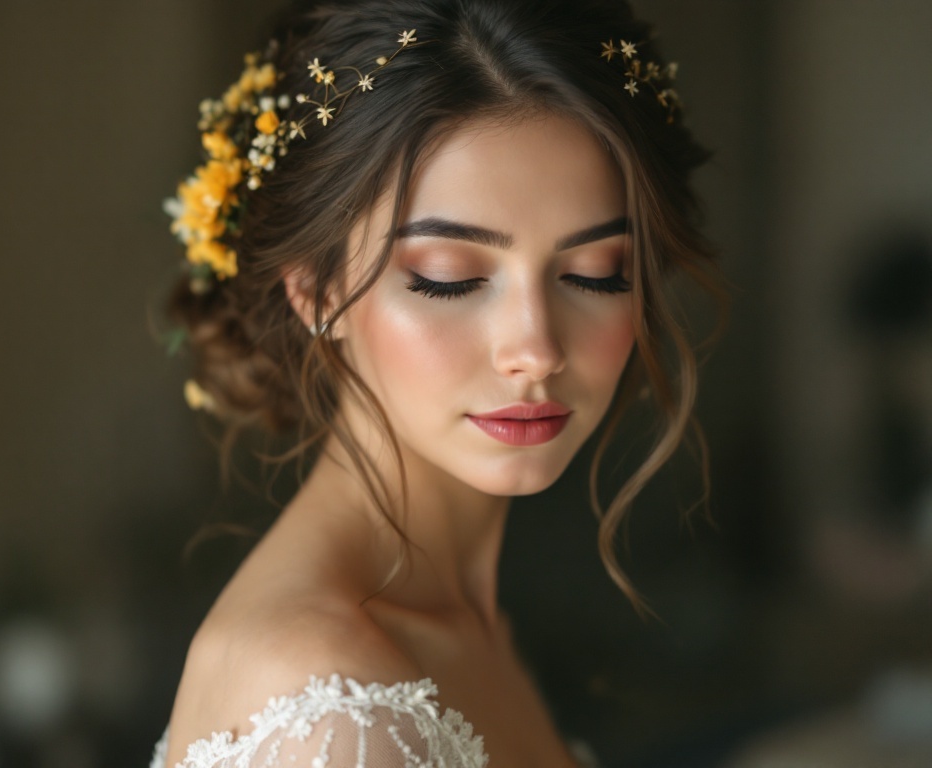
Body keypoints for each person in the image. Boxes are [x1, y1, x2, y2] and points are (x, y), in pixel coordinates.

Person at [152, 0, 723, 764]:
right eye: (448, 279)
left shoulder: (467, 622)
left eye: (594, 273)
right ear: (316, 291)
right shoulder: (330, 711)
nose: (536, 349)